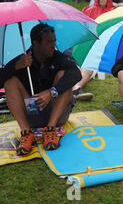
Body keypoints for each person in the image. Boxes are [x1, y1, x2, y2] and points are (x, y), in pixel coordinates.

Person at [0, 23, 81, 155]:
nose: (53, 46)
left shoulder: (57, 57)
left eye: (54, 41)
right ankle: (26, 133)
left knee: (64, 76)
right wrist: (15, 66)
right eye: (49, 42)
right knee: (10, 82)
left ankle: (50, 130)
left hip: (57, 113)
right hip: (32, 112)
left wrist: (51, 92)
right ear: (35, 43)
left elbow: (77, 74)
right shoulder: (23, 59)